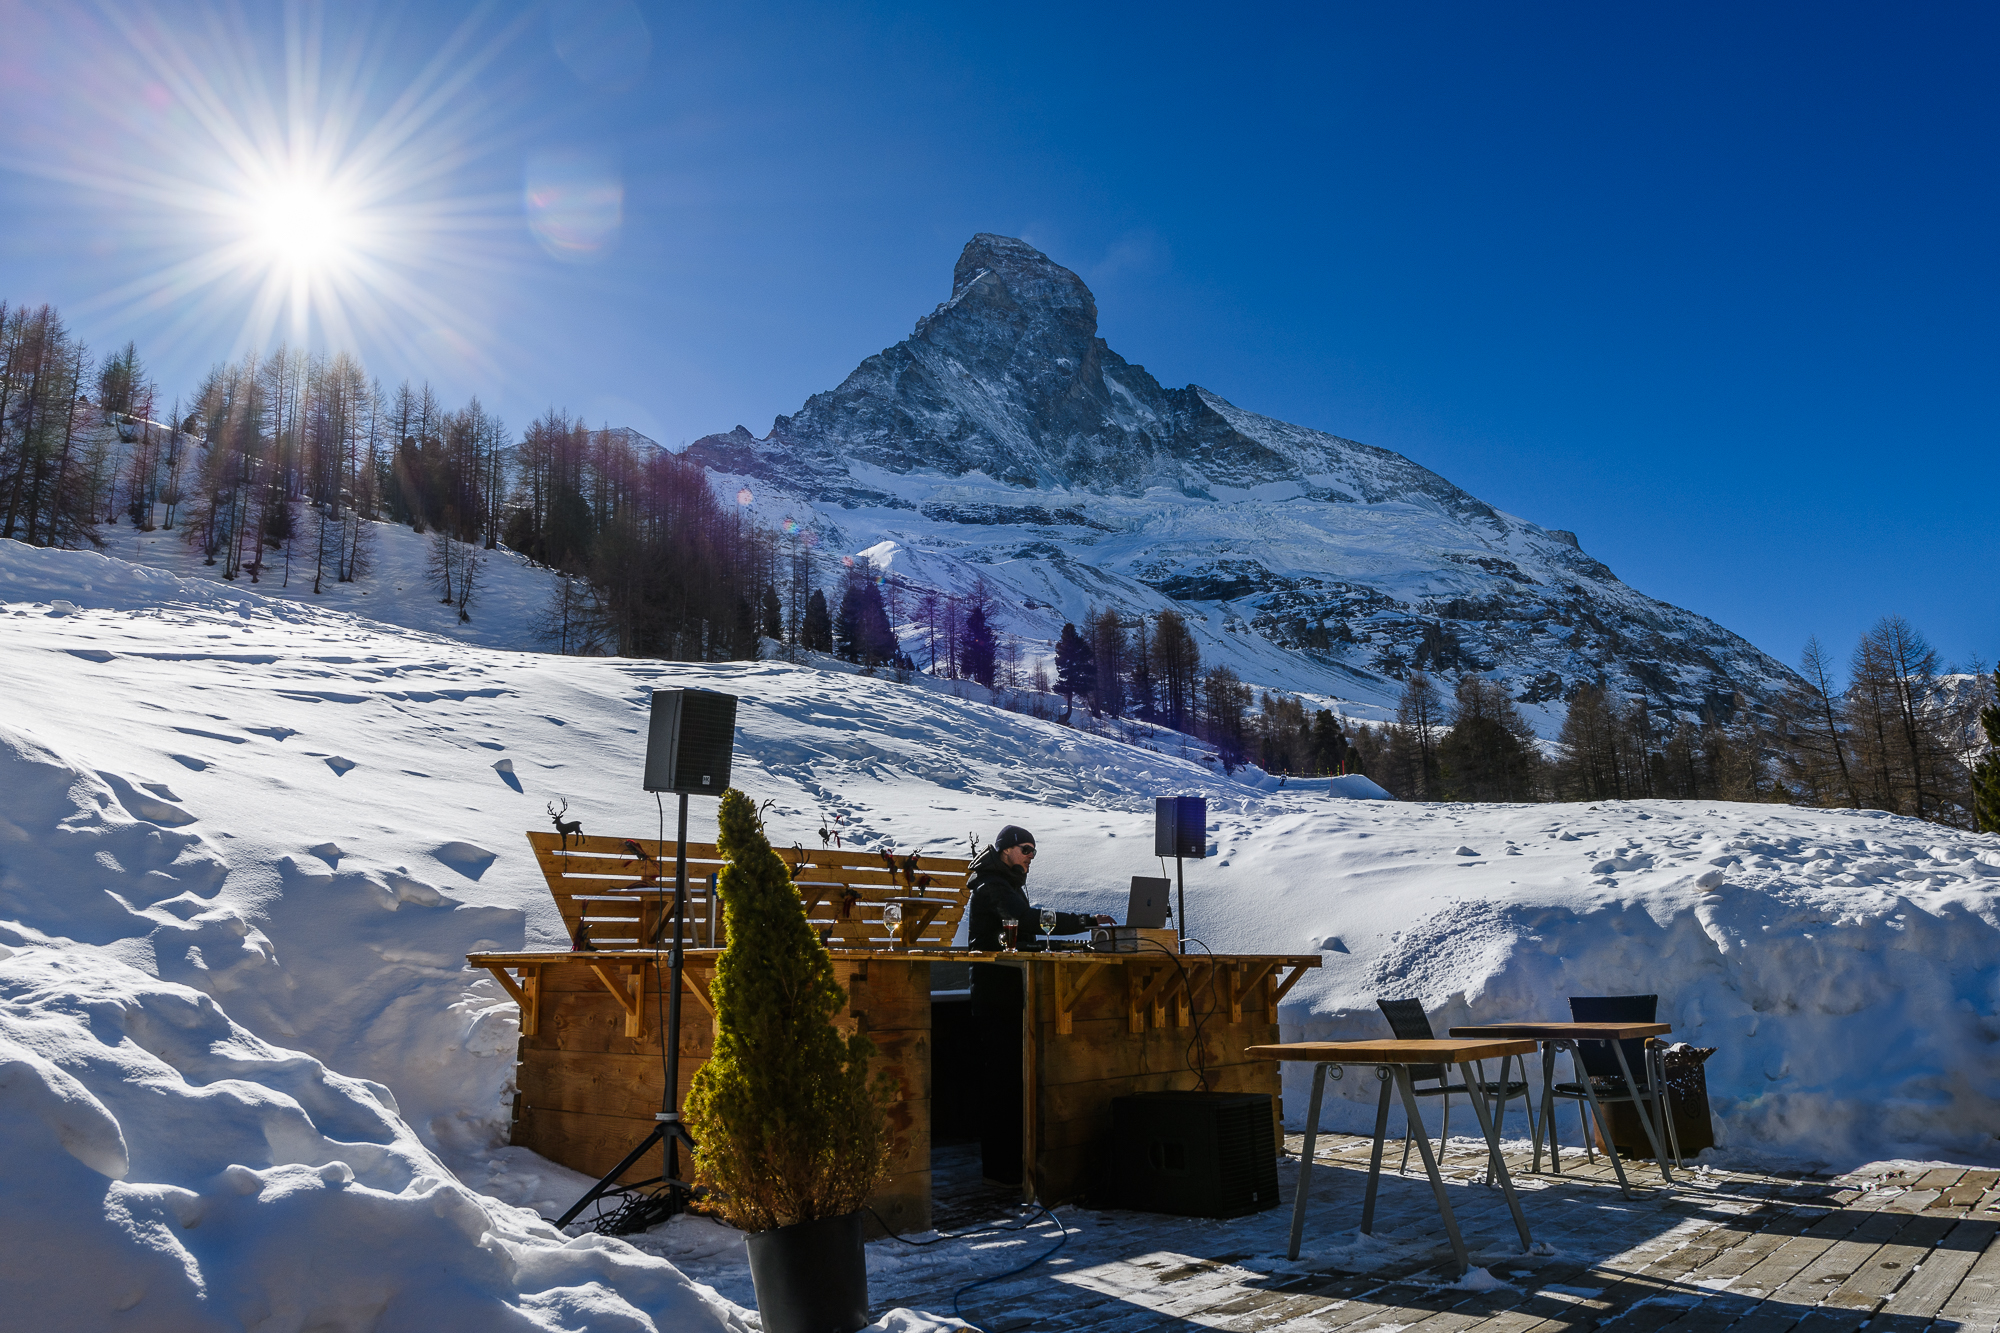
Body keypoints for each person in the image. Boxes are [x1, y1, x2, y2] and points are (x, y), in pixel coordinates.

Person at [966, 824, 1113, 1185]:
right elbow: (1028, 921)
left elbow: (1024, 933)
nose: (1032, 857)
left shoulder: (1007, 884)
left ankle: (1014, 1165)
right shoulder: (991, 885)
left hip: (1011, 991)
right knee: (1001, 1083)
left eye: (1034, 851)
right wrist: (1084, 922)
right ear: (1005, 851)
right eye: (1026, 849)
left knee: (1014, 1080)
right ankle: (1001, 1170)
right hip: (995, 995)